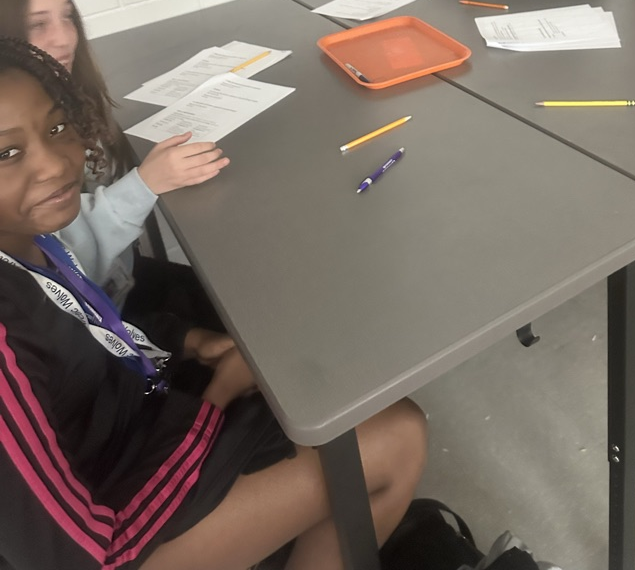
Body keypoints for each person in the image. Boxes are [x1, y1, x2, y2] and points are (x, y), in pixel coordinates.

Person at [0, 36, 427, 569]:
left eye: (57, 127)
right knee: (397, 438)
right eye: (7, 152)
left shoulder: (27, 239)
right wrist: (214, 400)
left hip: (129, 430)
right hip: (112, 534)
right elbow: (82, 555)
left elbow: (81, 333)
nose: (55, 166)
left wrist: (184, 341)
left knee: (306, 377)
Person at [0, 0, 229, 324]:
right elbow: (67, 263)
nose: (65, 38)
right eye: (38, 25)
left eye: (68, 17)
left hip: (118, 282)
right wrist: (144, 185)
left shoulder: (70, 95)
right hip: (96, 316)